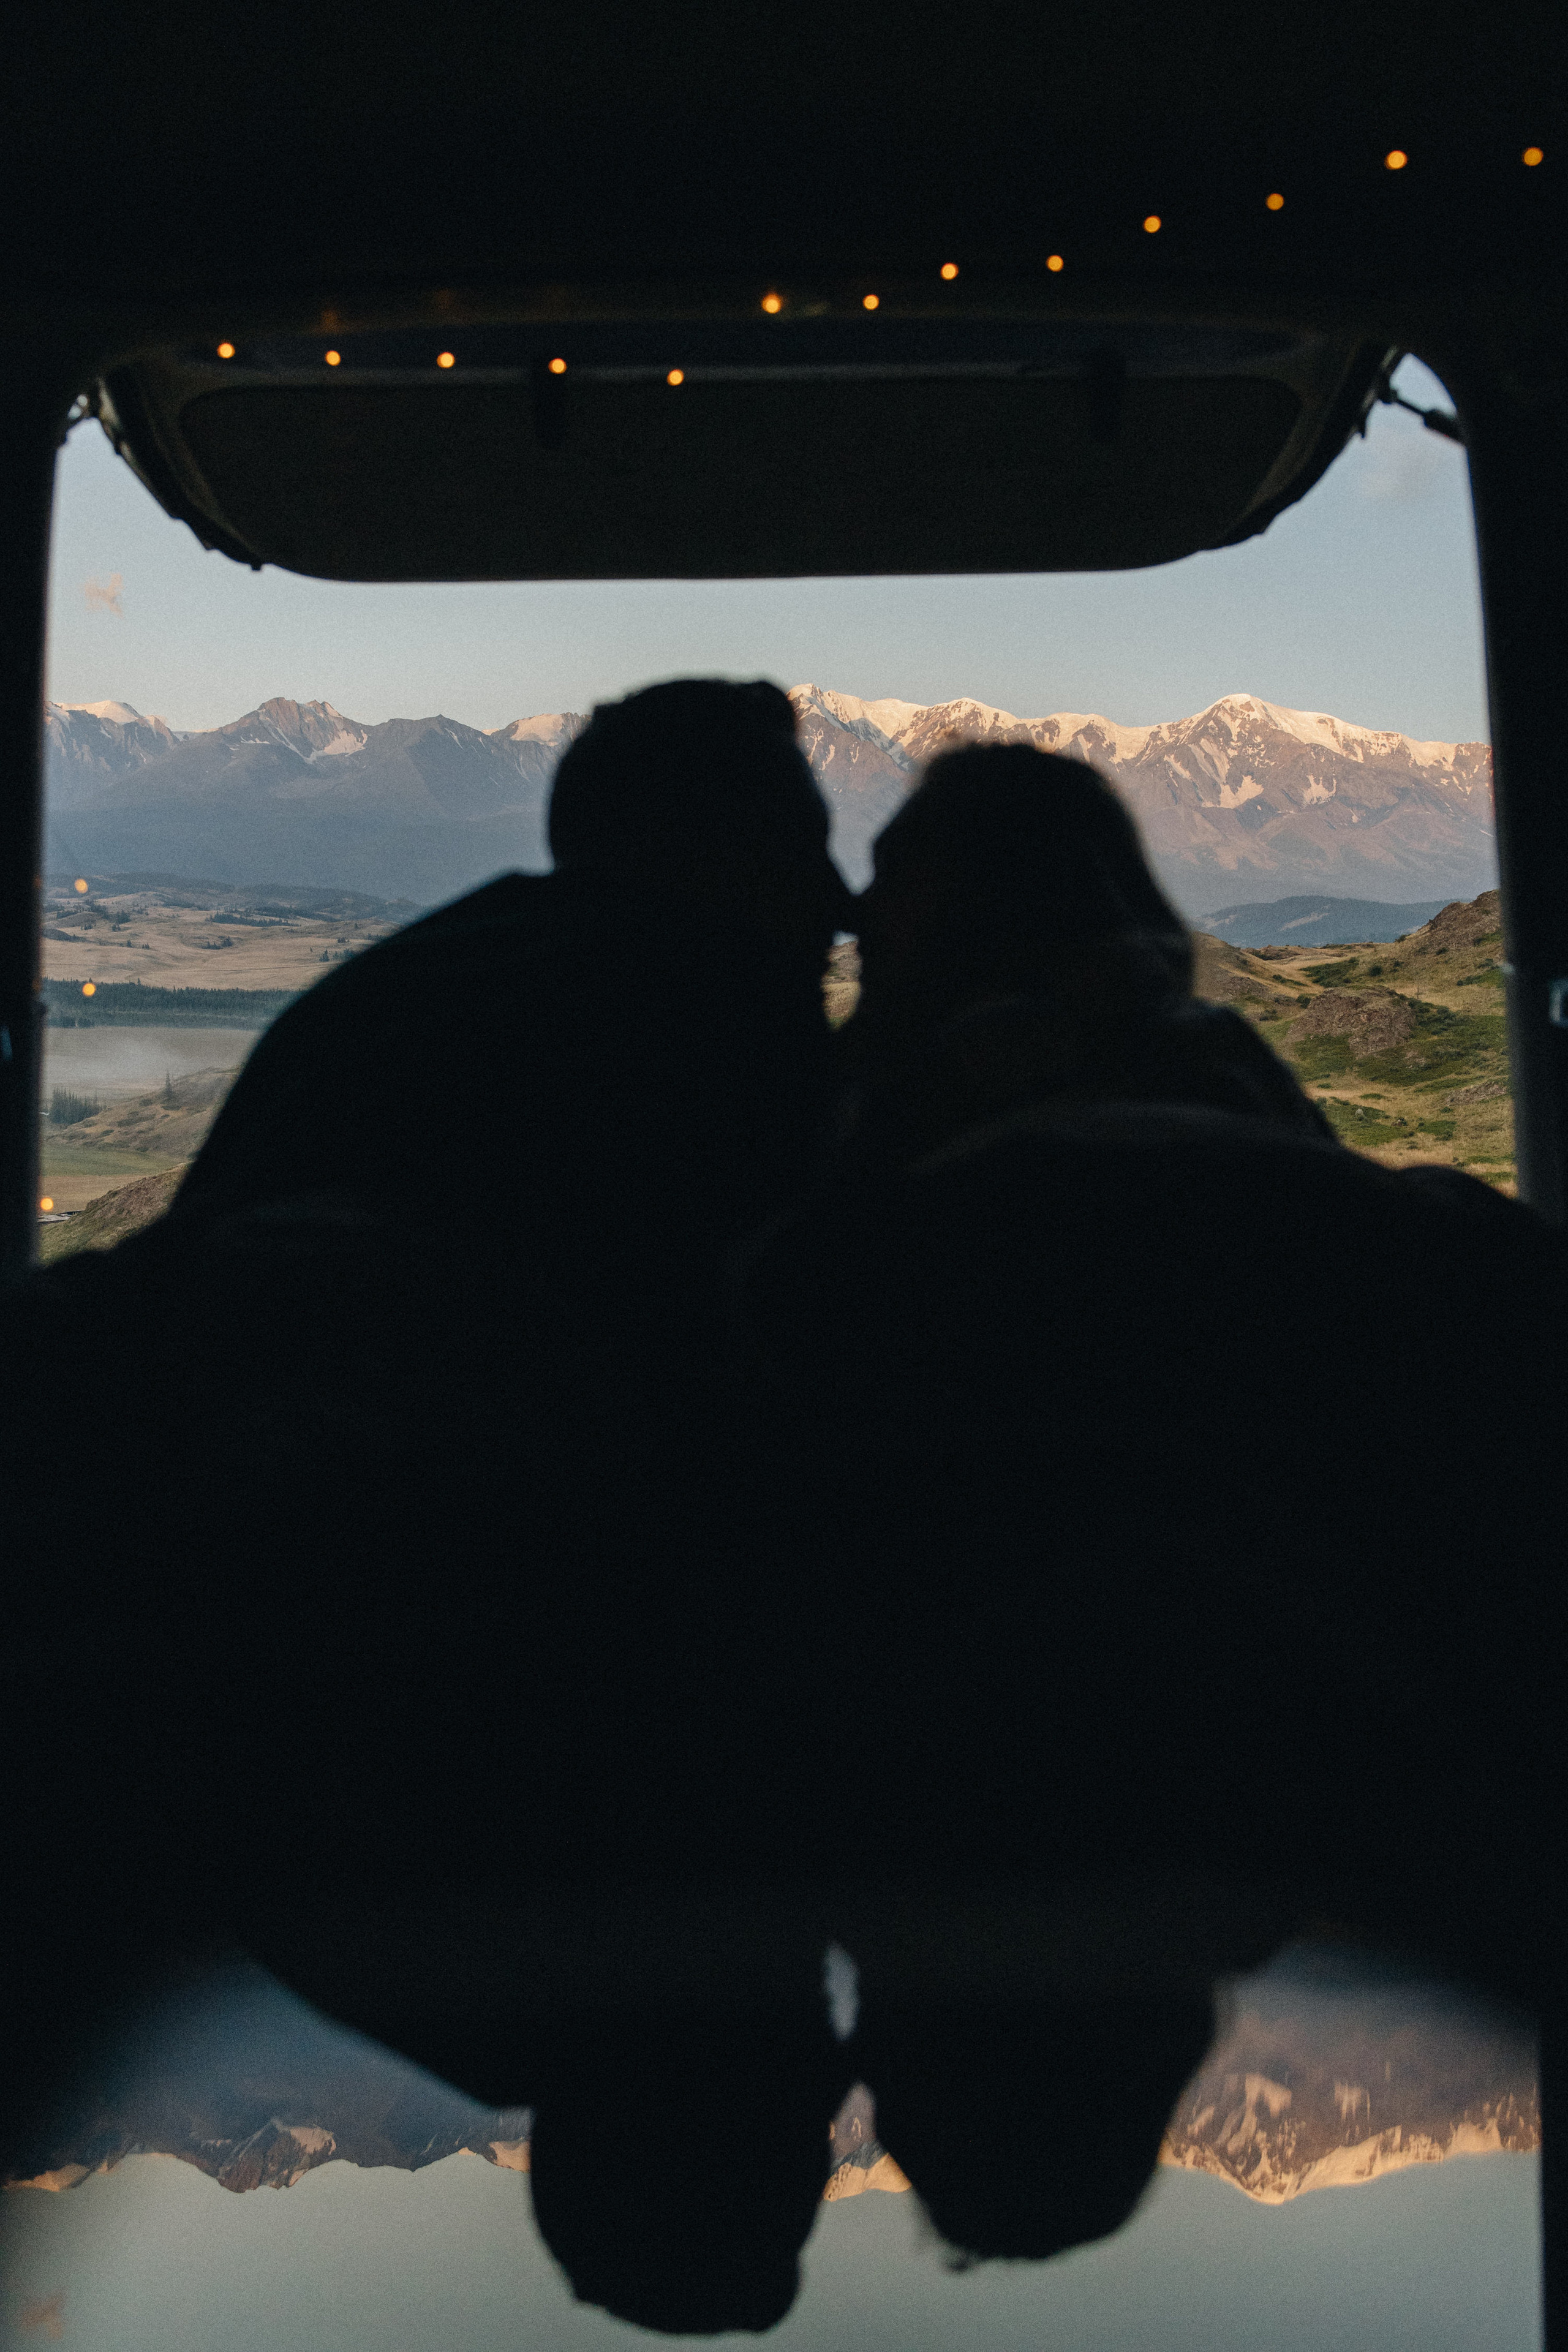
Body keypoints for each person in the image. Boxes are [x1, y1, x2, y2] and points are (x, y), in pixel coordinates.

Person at [841, 739, 1331, 1164]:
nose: (856, 909)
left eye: (896, 877)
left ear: (982, 910)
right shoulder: (1238, 1079)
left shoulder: (911, 1116)